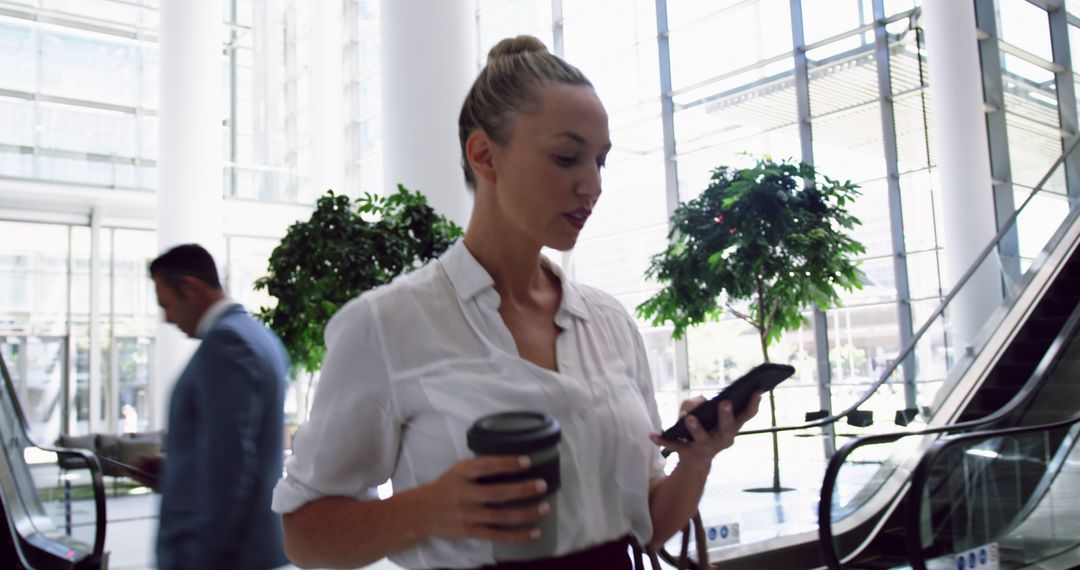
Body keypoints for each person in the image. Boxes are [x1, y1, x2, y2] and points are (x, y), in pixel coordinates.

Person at [272, 36, 761, 569]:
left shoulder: (609, 323)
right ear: (484, 155)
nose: (592, 185)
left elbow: (645, 524)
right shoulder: (386, 324)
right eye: (567, 157)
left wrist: (696, 460)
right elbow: (305, 536)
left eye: (600, 161)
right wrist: (430, 508)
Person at [138, 243, 290, 570]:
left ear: (190, 288)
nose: (166, 318)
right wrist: (175, 467)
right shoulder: (260, 337)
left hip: (224, 556)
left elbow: (231, 464)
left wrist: (204, 559)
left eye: (165, 304)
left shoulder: (227, 343)